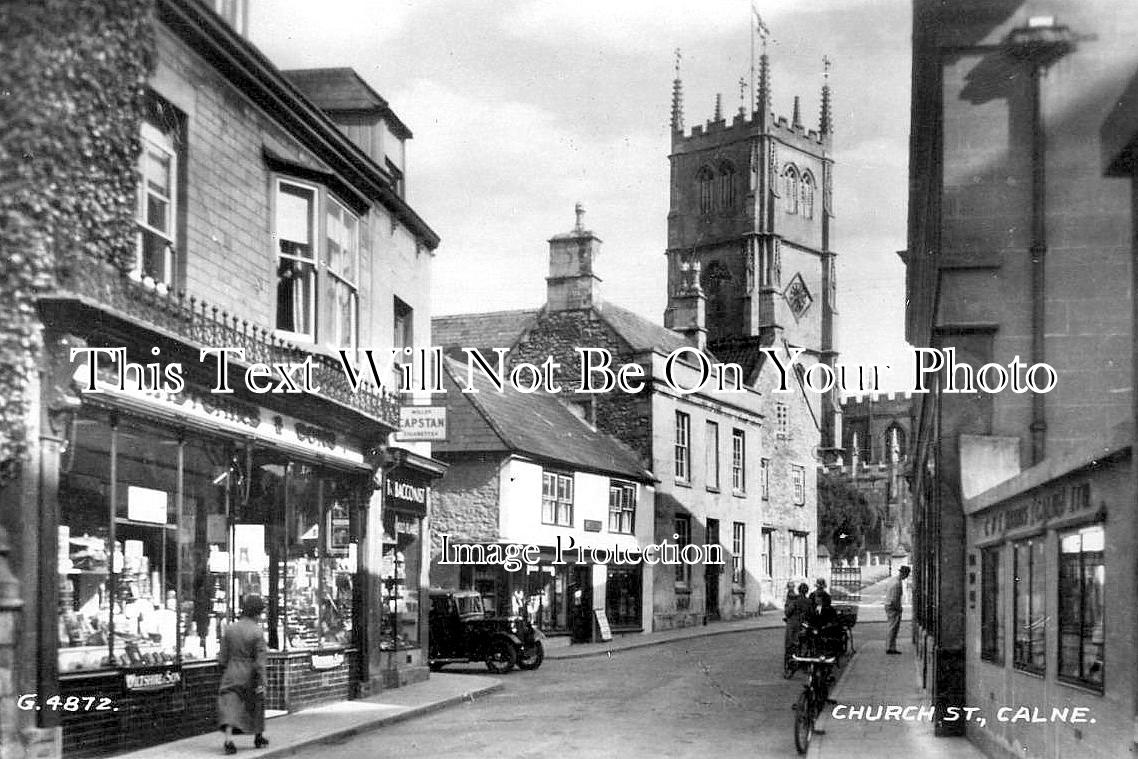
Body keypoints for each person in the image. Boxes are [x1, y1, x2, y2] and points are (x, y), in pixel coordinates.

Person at [218, 595, 268, 754]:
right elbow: (260, 660)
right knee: (257, 703)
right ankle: (258, 737)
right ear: (256, 613)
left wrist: (226, 668)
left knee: (230, 704)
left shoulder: (230, 629)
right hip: (250, 673)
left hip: (232, 670)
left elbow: (222, 657)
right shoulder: (257, 631)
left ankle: (228, 740)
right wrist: (263, 681)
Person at [885, 565, 911, 654]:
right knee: (893, 628)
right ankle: (890, 648)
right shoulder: (897, 584)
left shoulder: (893, 580)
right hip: (893, 607)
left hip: (888, 605)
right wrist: (899, 609)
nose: (907, 577)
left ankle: (891, 646)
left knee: (891, 627)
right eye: (907, 575)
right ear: (904, 574)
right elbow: (894, 599)